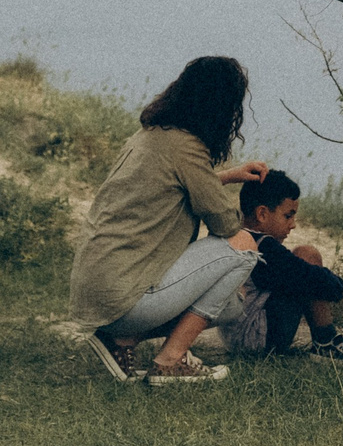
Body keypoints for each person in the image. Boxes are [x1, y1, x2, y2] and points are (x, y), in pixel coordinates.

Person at [70, 55, 268, 384]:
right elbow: (226, 225)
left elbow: (166, 190)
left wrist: (225, 177)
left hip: (98, 291)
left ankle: (121, 341)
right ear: (221, 106)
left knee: (231, 304)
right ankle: (170, 360)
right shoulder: (186, 147)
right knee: (243, 247)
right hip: (124, 296)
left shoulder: (150, 135)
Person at [226, 169, 343, 361]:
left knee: (298, 271)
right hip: (256, 336)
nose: (293, 224)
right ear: (262, 214)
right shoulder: (262, 245)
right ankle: (326, 341)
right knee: (307, 256)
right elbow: (303, 274)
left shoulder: (239, 235)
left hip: (236, 336)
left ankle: (326, 342)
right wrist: (339, 286)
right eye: (288, 216)